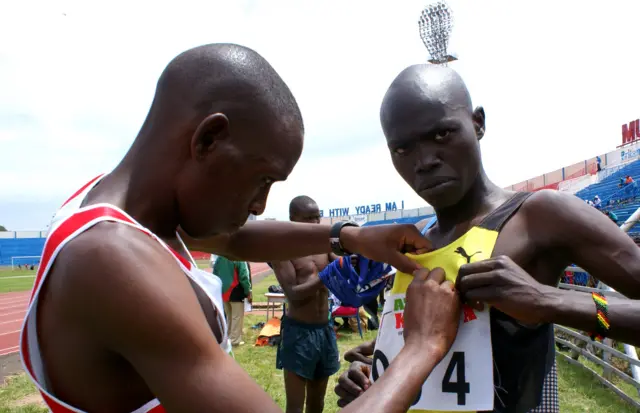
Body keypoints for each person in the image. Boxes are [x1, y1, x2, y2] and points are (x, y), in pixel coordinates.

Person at [19, 43, 455, 413]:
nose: (261, 204)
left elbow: (235, 237)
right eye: (262, 179)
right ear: (209, 139)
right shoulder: (112, 261)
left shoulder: (127, 207)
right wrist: (421, 348)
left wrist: (349, 236)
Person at [336, 64, 640, 413]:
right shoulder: (413, 240)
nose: (425, 161)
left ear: (478, 123)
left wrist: (547, 301)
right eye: (403, 149)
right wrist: (378, 372)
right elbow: (440, 342)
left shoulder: (539, 215)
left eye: (441, 135)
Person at [271, 195, 340, 413]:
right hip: (298, 332)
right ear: (293, 219)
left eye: (316, 218)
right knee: (295, 407)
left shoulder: (323, 245)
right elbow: (293, 293)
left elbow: (343, 265)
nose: (314, 224)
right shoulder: (282, 250)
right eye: (307, 218)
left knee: (317, 404)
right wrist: (326, 276)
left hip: (324, 328)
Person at [214, 255, 251, 346]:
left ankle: (229, 337)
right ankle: (235, 340)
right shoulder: (238, 258)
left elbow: (214, 274)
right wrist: (248, 291)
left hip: (223, 290)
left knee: (229, 316)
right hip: (235, 290)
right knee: (236, 316)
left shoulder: (219, 258)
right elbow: (244, 276)